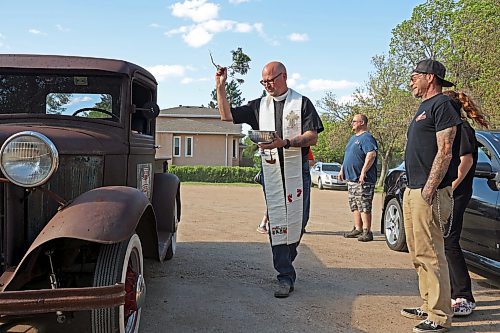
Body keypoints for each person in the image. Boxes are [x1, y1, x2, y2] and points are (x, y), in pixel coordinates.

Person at [215, 61, 324, 298]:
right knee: (277, 221)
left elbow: (312, 137)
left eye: (271, 80)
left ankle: (286, 257)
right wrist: (221, 86)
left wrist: (285, 142)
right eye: (263, 82)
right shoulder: (259, 106)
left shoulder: (302, 103)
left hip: (297, 170)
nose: (267, 85)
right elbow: (226, 115)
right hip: (271, 170)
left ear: (284, 76)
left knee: (299, 221)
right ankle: (284, 275)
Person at [400, 59, 462, 333]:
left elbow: (446, 150)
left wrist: (429, 188)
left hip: (430, 192)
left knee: (432, 254)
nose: (411, 81)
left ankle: (438, 316)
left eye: (415, 76)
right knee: (417, 253)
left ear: (430, 77)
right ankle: (427, 306)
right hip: (413, 189)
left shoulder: (442, 106)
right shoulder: (422, 108)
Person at [442, 90, 489, 317]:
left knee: (450, 243)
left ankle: (464, 296)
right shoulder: (453, 129)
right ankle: (451, 293)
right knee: (444, 243)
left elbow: (466, 160)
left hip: (456, 195)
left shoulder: (462, 129)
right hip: (448, 194)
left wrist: (451, 188)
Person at [257, 148, 315, 234]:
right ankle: (264, 224)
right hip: (285, 176)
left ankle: (296, 226)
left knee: (284, 202)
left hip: (292, 176)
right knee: (278, 201)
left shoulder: (303, 148)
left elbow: (311, 161)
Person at [338, 114, 378, 242]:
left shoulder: (367, 138)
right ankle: (357, 228)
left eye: (355, 121)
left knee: (364, 205)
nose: (352, 123)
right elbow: (348, 156)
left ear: (362, 122)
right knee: (354, 205)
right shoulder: (352, 139)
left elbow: (371, 154)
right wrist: (342, 169)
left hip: (363, 180)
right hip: (351, 179)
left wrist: (363, 172)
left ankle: (367, 231)